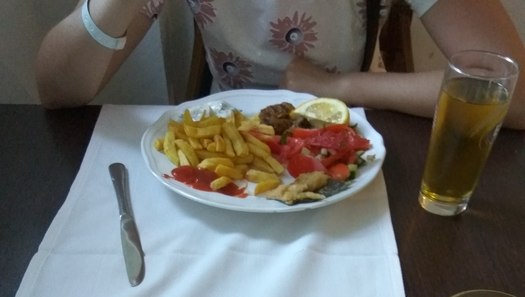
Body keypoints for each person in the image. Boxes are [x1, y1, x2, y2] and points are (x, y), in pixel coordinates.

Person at [36, 0, 525, 129]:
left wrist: (340, 86)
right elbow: (57, 88)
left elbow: (514, 92)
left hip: (349, 127)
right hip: (224, 139)